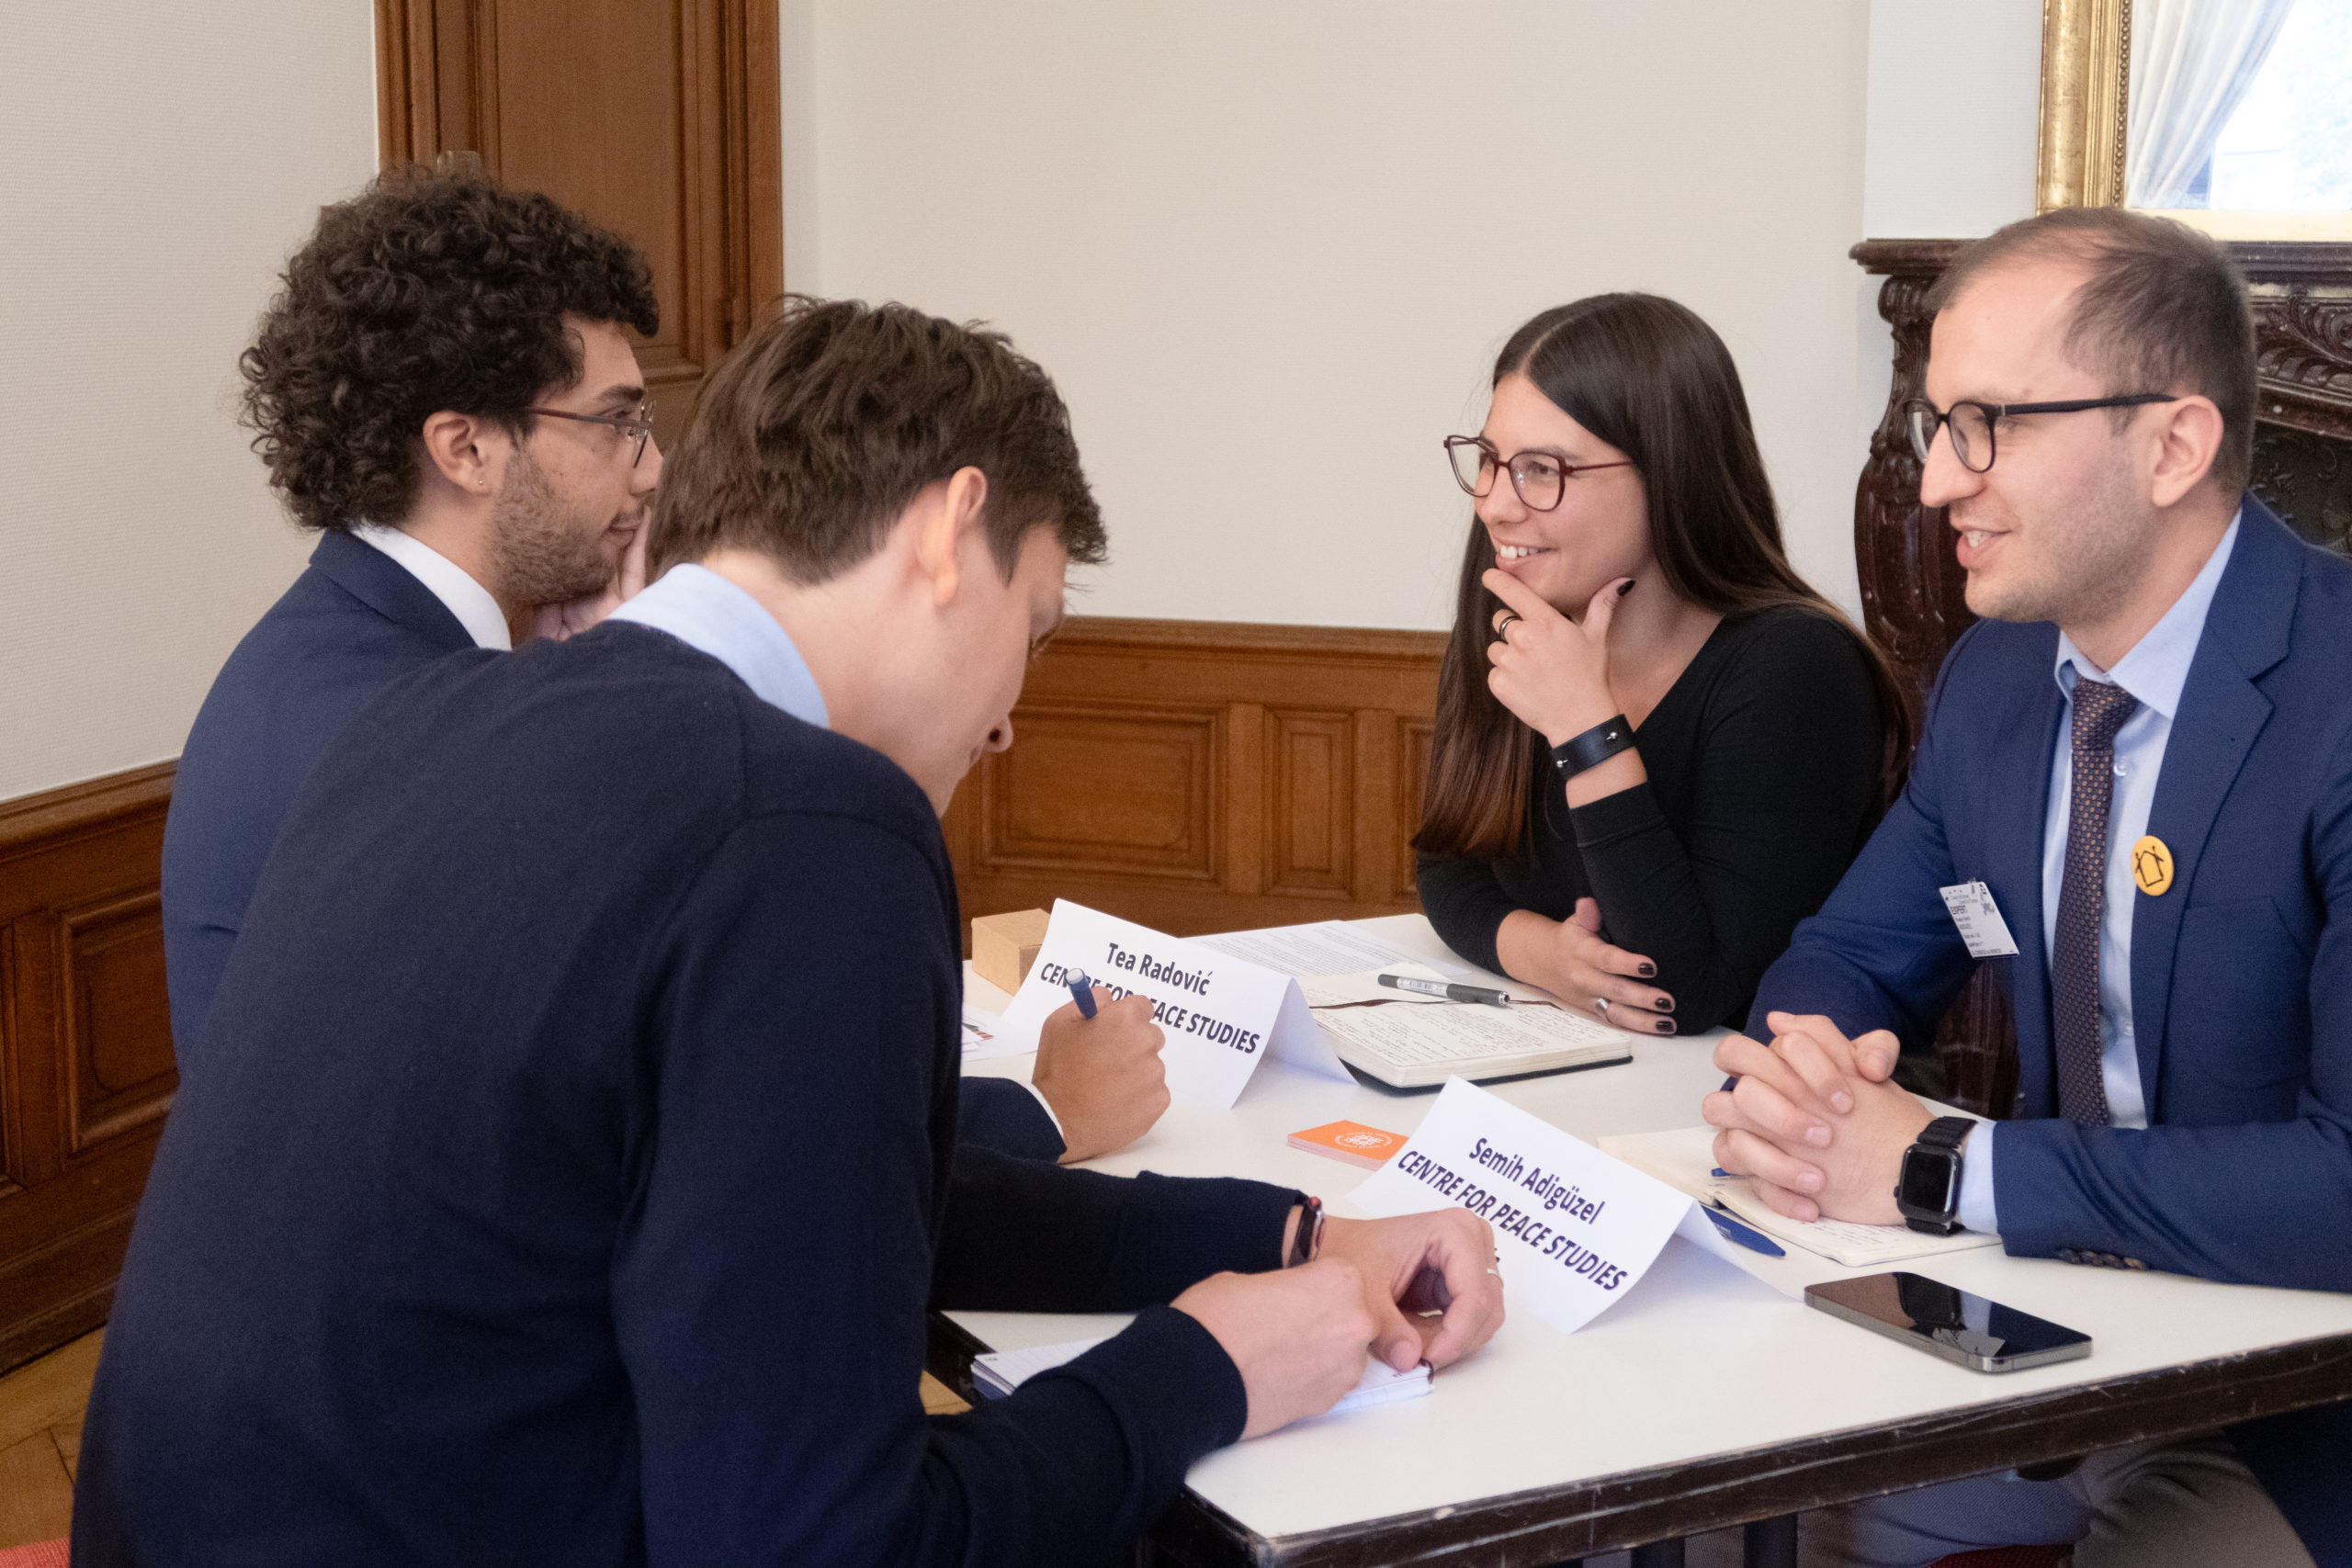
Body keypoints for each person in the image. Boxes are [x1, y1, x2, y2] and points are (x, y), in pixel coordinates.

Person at [74, 295, 1505, 1566]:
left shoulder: (443, 712)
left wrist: (1290, 1226)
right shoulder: (810, 828)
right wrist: (1208, 1366)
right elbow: (824, 1539)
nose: (1012, 712)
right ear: (952, 530)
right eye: (1040, 618)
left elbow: (831, 1198)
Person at [162, 168, 1148, 1163]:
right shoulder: (406, 712)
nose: (652, 470)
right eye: (618, 423)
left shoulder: (345, 650)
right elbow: (690, 1114)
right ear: (464, 448)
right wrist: (1045, 1109)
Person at [1706, 209, 2348, 1567]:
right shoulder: (2000, 680)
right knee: (1715, 1519)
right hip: (2042, 1339)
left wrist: (1941, 1165)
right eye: (1940, 422)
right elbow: (1843, 955)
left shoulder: (2339, 693)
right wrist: (1803, 1083)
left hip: (2304, 1404)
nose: (1939, 480)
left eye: (1989, 422)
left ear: (2173, 444)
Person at [1415, 294, 1901, 1038]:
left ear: (1669, 473)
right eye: (1489, 461)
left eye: (1542, 469)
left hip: (1725, 1114)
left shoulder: (1796, 669)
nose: (1496, 505)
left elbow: (1685, 990)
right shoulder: (1513, 628)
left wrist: (1586, 729)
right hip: (1559, 1069)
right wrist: (1544, 954)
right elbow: (1449, 865)